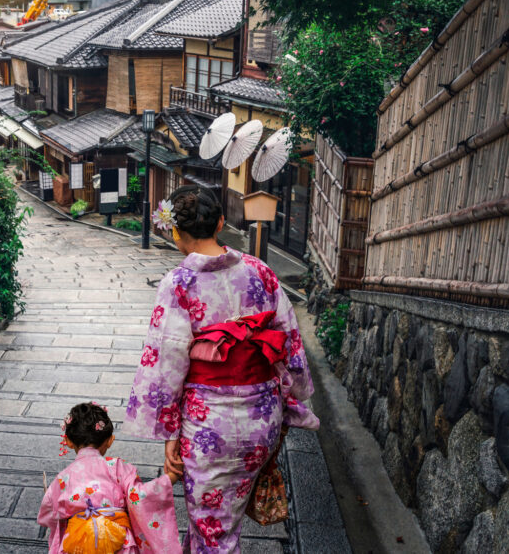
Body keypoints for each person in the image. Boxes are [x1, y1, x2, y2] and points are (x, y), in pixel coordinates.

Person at [126, 185, 319, 553]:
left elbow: (166, 362)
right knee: (217, 524)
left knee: (214, 532)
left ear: (175, 232)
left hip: (209, 427)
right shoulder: (261, 271)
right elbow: (290, 338)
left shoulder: (179, 284)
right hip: (262, 420)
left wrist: (169, 431)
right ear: (220, 222)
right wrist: (293, 394)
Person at [38, 402, 182, 553]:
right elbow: (138, 497)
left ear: (67, 441)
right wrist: (170, 477)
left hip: (77, 542)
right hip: (117, 541)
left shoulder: (63, 478)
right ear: (110, 440)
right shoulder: (118, 467)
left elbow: (47, 514)